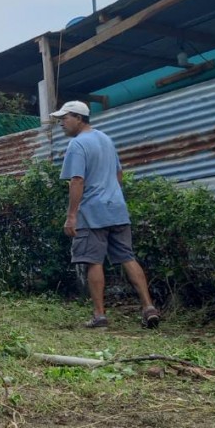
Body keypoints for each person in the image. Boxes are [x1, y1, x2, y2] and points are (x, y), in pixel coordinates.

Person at [51, 100, 160, 329]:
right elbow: (119, 174)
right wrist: (112, 194)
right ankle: (148, 307)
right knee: (127, 257)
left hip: (93, 212)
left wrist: (71, 216)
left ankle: (99, 315)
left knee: (93, 261)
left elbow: (77, 180)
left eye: (65, 118)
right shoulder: (105, 139)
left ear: (79, 118)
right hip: (117, 208)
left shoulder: (77, 144)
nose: (61, 123)